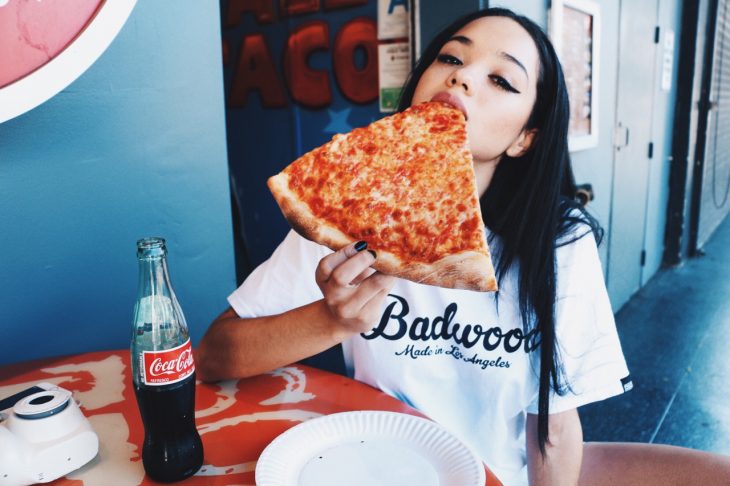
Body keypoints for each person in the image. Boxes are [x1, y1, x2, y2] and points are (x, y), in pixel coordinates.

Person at [197, 8, 730, 485]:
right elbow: (217, 353)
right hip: (378, 463)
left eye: (501, 79)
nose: (463, 76)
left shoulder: (561, 242)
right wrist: (330, 320)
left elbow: (555, 427)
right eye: (451, 57)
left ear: (526, 137)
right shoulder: (347, 213)